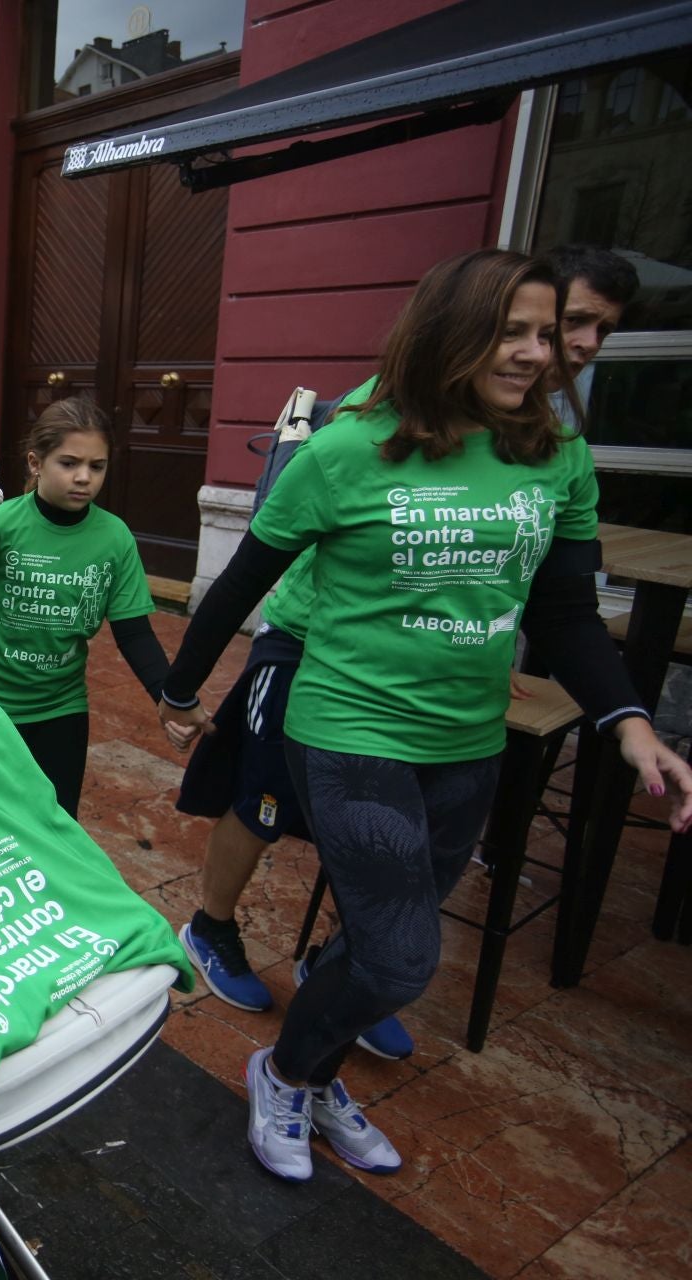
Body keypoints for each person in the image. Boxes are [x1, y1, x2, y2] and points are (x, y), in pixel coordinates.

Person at [159, 248, 692, 1183]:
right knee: (404, 958)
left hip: (466, 740)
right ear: (453, 333)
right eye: (512, 332)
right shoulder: (351, 445)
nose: (537, 353)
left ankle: (318, 1079)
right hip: (350, 726)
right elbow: (247, 576)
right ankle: (281, 1073)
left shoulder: (555, 453)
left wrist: (629, 721)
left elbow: (564, 611)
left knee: (373, 940)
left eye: (546, 334)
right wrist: (180, 687)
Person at [0, 397, 169, 818]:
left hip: (61, 710)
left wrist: (170, 694)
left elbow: (134, 632)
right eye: (68, 463)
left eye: (96, 466)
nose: (83, 477)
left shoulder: (115, 538)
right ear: (35, 462)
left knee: (57, 824)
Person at [541, 244, 640, 426]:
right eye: (574, 319)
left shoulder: (569, 447)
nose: (591, 344)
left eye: (603, 330)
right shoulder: (471, 434)